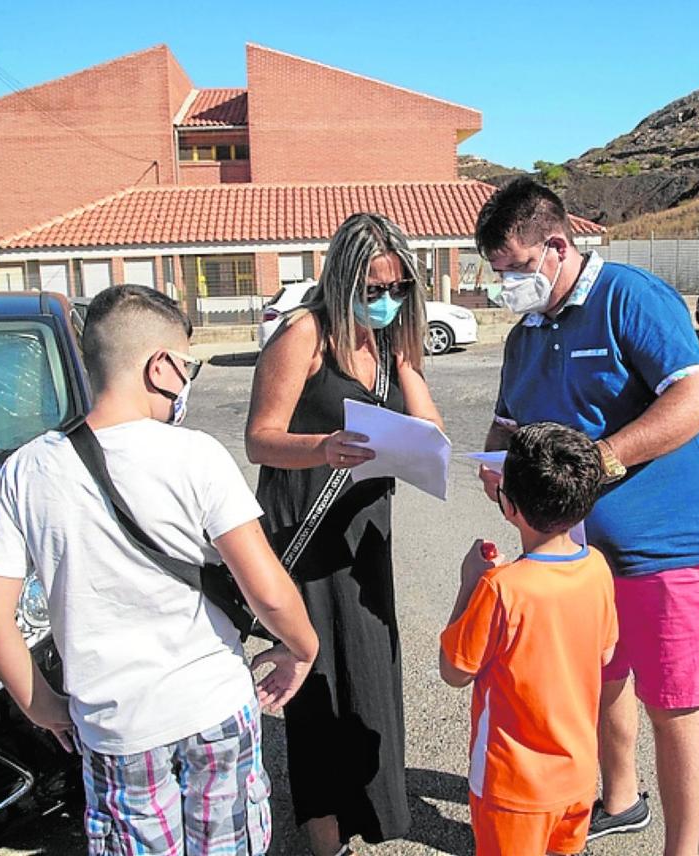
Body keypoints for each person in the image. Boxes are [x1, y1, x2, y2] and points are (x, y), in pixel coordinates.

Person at [0, 284, 319, 856]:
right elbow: (267, 590)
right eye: (189, 367)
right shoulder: (196, 455)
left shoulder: (26, 470)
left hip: (113, 727)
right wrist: (301, 648)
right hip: (212, 707)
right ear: (161, 367)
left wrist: (44, 706)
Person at [474, 178, 699, 856]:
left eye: (517, 270)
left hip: (668, 545)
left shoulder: (630, 296)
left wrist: (599, 461)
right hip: (581, 555)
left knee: (673, 703)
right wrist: (497, 463)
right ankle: (620, 799)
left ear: (557, 245)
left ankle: (685, 850)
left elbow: (696, 402)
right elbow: (506, 425)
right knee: (603, 678)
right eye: (498, 275)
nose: (509, 287)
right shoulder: (525, 336)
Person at [245, 213, 443, 856]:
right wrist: (325, 447)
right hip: (305, 537)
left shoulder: (391, 346)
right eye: (372, 289)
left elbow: (430, 433)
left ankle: (369, 815)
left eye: (397, 289)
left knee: (368, 679)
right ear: (340, 281)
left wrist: (420, 445)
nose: (385, 301)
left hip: (363, 542)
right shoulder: (304, 332)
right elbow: (260, 438)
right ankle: (325, 840)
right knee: (317, 692)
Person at [440, 422, 618, 856]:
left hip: (513, 785)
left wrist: (469, 583)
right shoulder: (596, 566)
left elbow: (454, 671)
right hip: (576, 775)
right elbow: (606, 651)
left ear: (509, 505)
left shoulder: (501, 588)